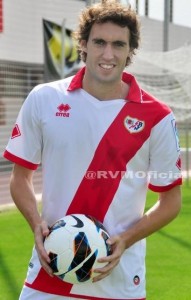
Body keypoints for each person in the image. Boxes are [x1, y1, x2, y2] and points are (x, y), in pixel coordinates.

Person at [3, 0, 182, 299]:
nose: (108, 54)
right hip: (50, 274)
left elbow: (171, 201)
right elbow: (20, 177)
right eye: (99, 42)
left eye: (118, 44)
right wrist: (36, 223)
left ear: (130, 50)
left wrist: (125, 239)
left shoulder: (158, 117)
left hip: (119, 279)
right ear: (83, 44)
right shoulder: (44, 98)